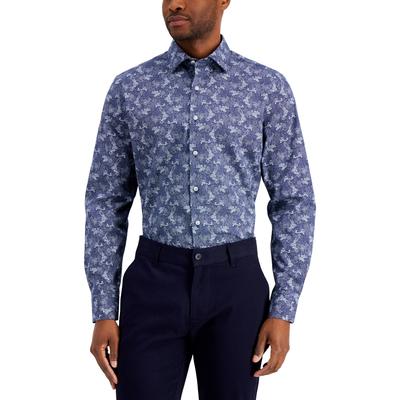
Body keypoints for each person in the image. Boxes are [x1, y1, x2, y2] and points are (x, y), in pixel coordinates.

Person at [84, 0, 316, 399]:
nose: (174, 3)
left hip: (236, 287)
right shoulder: (131, 88)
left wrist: (283, 308)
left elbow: (293, 199)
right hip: (153, 284)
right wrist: (103, 308)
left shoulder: (265, 88)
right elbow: (106, 199)